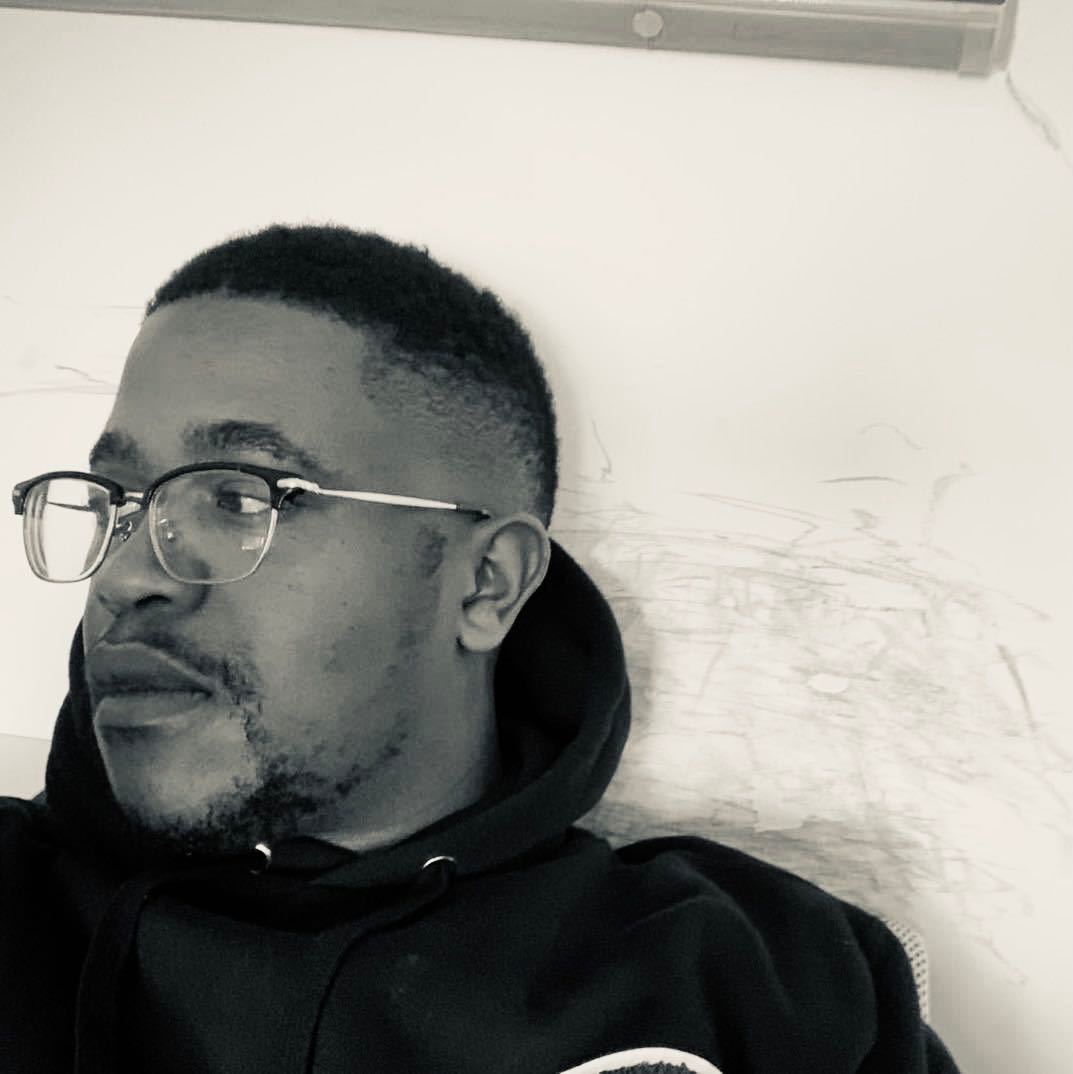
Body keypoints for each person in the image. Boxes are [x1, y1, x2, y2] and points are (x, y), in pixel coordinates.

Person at [0, 224, 959, 1074]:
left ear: (485, 584)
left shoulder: (763, 980)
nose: (125, 576)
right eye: (119, 501)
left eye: (241, 496)